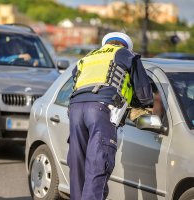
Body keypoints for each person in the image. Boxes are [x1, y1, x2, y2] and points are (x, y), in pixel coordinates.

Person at [67, 32, 153, 200]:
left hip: (75, 109)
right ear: (125, 46)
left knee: (78, 166)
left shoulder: (87, 58)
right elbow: (144, 91)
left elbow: (75, 80)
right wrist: (142, 106)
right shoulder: (124, 54)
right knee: (97, 164)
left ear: (104, 44)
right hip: (100, 109)